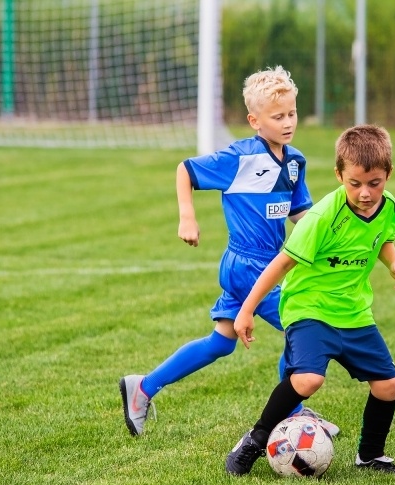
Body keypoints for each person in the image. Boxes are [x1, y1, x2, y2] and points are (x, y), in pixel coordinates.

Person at [119, 66, 338, 438]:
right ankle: (294, 414)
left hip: (266, 262)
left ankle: (142, 387)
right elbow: (185, 170)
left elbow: (301, 214)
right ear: (254, 120)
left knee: (221, 341)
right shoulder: (240, 158)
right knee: (302, 329)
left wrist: (328, 245)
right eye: (277, 116)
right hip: (247, 263)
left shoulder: (295, 162)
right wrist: (187, 217)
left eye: (292, 114)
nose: (288, 123)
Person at [224, 124, 395, 476]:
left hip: (353, 312)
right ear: (339, 174)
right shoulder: (323, 216)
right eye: (355, 183)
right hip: (308, 307)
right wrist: (247, 309)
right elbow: (281, 263)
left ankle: (370, 455)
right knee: (309, 379)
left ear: (388, 175)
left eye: (375, 183)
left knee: (388, 385)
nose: (366, 193)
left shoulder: (389, 208)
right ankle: (255, 439)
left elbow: (383, 238)